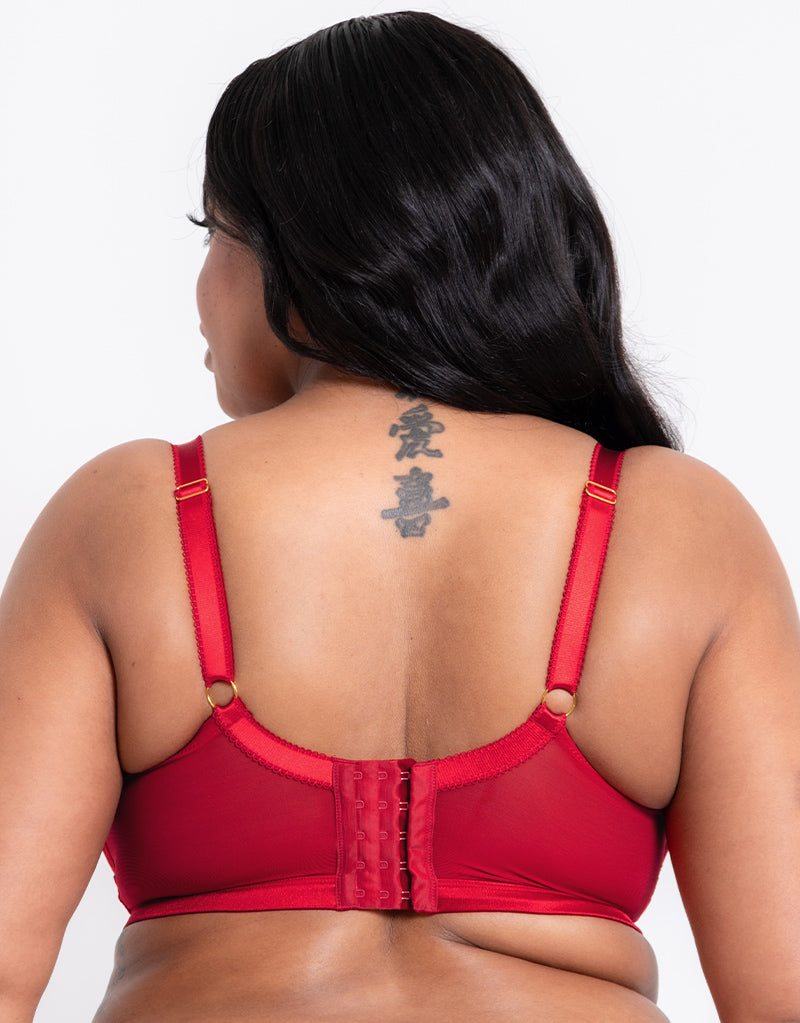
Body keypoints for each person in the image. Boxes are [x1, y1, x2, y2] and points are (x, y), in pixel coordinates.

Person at [0, 11, 798, 1022]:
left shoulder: (130, 516)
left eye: (212, 233)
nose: (200, 288)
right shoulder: (677, 528)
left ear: (303, 248)